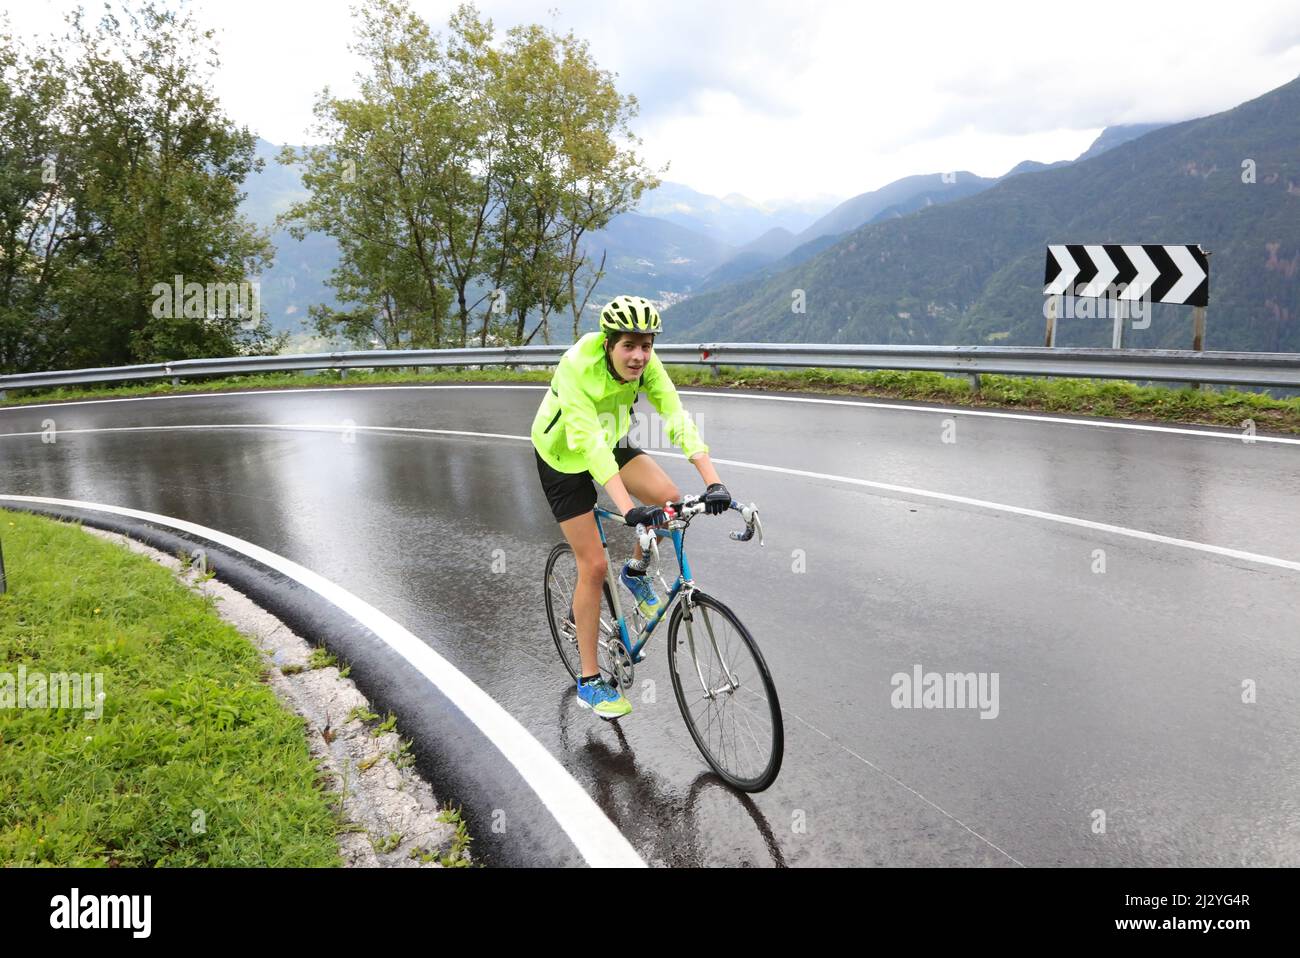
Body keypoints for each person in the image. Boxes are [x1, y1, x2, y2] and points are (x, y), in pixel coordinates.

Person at [532, 294, 731, 719]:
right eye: (629, 346)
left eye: (646, 345)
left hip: (613, 439)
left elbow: (676, 418)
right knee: (594, 566)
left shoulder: (648, 365)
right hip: (563, 455)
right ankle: (589, 681)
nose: (639, 356)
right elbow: (587, 443)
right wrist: (627, 509)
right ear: (608, 343)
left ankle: (637, 571)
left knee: (670, 500)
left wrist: (713, 480)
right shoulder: (576, 367)